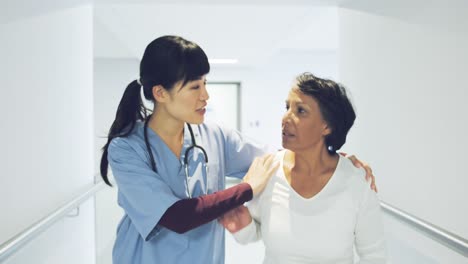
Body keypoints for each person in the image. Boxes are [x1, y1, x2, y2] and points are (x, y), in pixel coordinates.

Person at [99, 35, 377, 264]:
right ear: (160, 93)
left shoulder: (215, 137)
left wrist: (332, 155)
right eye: (195, 86)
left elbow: (278, 160)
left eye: (205, 83)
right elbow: (176, 217)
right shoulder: (126, 149)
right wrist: (246, 190)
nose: (205, 95)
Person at [220, 73, 387, 264]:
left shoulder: (357, 181)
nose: (286, 118)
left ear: (327, 126)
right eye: (287, 107)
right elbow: (255, 231)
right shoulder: (269, 170)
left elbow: (374, 256)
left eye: (300, 111)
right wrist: (242, 226)